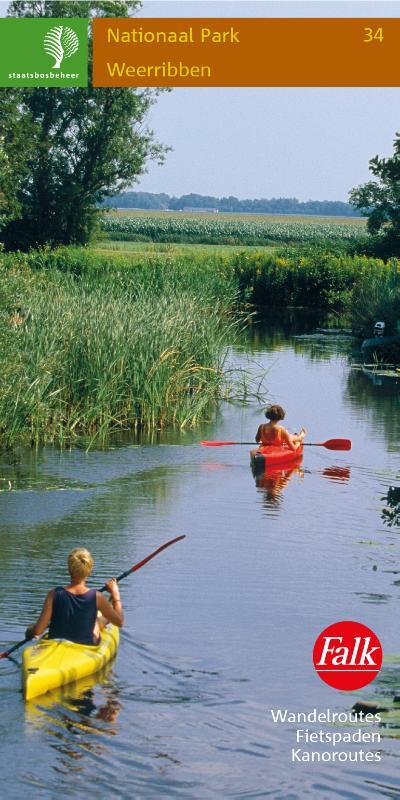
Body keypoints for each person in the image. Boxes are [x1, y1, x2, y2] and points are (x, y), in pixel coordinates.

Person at [25, 548, 124, 646]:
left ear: (69, 570)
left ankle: (106, 614)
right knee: (96, 622)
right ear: (89, 571)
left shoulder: (54, 594)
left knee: (96, 621)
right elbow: (119, 622)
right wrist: (116, 594)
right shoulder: (97, 597)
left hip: (56, 642)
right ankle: (108, 611)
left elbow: (38, 630)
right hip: (86, 645)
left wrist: (29, 632)